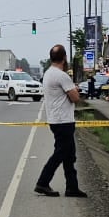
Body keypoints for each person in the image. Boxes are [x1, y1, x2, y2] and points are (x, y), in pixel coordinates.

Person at [35, 44, 84, 198]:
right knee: (60, 154)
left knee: (69, 155)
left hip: (55, 120)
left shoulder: (48, 73)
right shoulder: (62, 76)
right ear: (64, 58)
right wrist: (75, 90)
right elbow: (75, 98)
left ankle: (72, 187)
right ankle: (42, 182)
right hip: (64, 121)